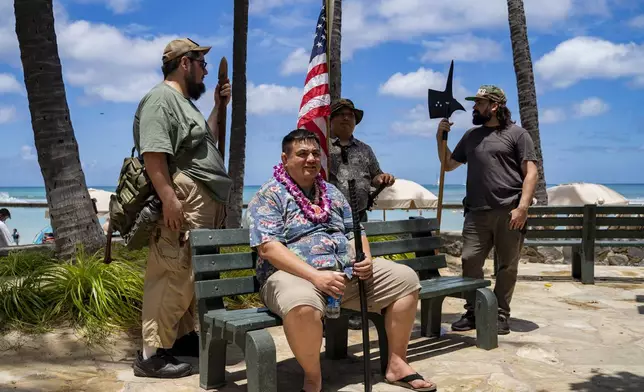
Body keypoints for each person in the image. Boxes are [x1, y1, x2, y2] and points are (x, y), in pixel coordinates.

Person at [246, 129, 437, 392]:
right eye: (302, 153)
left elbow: (354, 231)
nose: (311, 158)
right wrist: (315, 276)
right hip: (293, 278)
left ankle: (396, 363)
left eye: (315, 153)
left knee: (405, 280)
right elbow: (269, 248)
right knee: (302, 306)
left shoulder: (332, 193)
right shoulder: (270, 194)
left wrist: (365, 258)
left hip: (344, 273)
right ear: (285, 158)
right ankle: (313, 377)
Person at [131, 38, 232, 378]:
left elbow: (207, 141)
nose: (205, 69)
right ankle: (151, 355)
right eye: (201, 63)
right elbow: (153, 153)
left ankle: (181, 338)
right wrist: (169, 198)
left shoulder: (184, 103)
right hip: (184, 199)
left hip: (200, 199)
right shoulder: (161, 99)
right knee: (172, 271)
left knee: (190, 274)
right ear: (184, 63)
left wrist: (218, 106)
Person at [435, 85, 537, 335]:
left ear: (495, 106)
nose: (474, 107)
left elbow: (531, 172)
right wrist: (440, 138)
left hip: (509, 211)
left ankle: (501, 313)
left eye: (479, 102)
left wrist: (522, 207)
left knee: (507, 265)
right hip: (476, 212)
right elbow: (448, 165)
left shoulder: (518, 134)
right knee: (470, 260)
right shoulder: (471, 136)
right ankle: (473, 311)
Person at [328, 98, 396, 330]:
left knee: (359, 262)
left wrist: (382, 178)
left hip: (358, 215)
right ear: (331, 119)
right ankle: (328, 312)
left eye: (351, 115)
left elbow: (375, 175)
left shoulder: (365, 149)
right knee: (332, 263)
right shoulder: (322, 148)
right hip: (328, 217)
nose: (347, 118)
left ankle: (357, 309)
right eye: (341, 114)